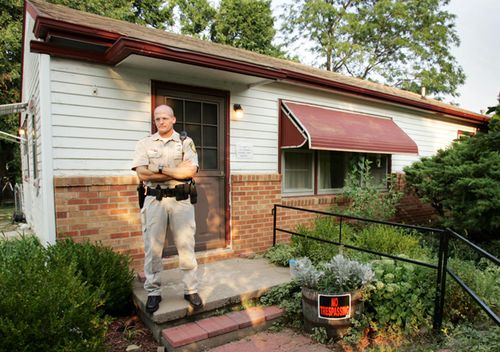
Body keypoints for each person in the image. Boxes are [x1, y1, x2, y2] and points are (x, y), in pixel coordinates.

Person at [132, 104, 202, 313]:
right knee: (152, 248)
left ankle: (191, 289)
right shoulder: (144, 144)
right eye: (157, 119)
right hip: (154, 200)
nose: (160, 122)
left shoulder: (185, 143)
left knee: (186, 245)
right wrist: (174, 171)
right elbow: (143, 175)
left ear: (173, 120)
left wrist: (159, 168)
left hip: (181, 200)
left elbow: (190, 172)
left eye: (164, 118)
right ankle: (153, 292)